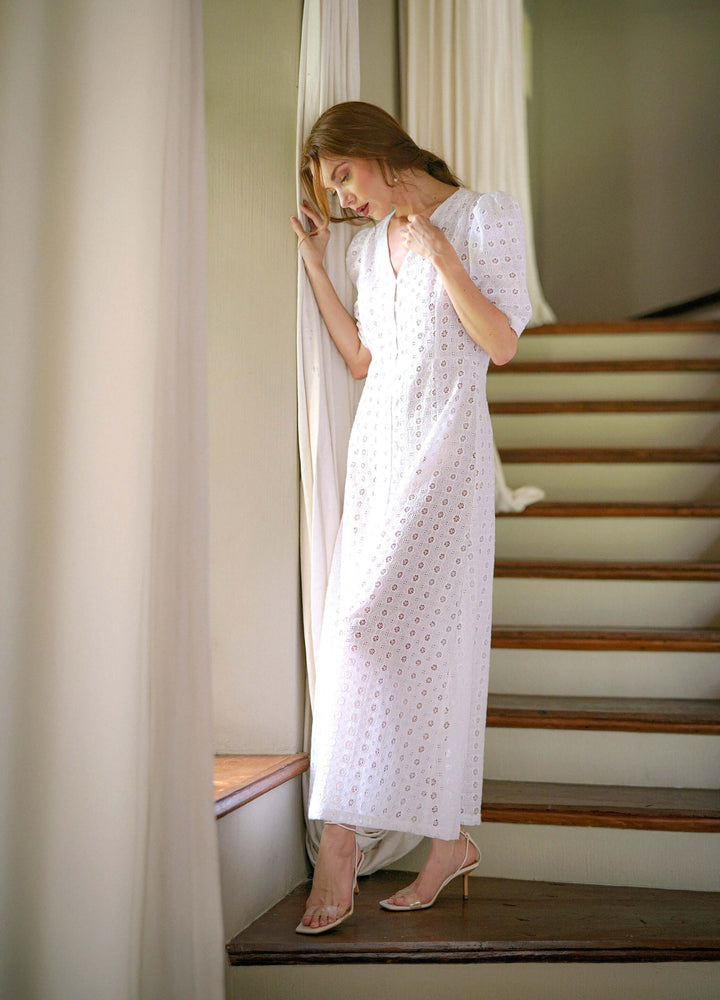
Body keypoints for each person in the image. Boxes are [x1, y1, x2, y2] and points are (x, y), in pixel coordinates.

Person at [290, 101, 531, 934]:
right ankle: (444, 841)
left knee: (389, 636)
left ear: (371, 149)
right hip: (377, 462)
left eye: (344, 177)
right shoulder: (360, 246)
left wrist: (440, 252)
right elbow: (361, 359)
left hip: (445, 456)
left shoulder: (483, 215)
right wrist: (321, 265)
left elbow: (500, 342)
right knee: (371, 639)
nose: (345, 198)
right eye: (332, 189)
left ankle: (345, 847)